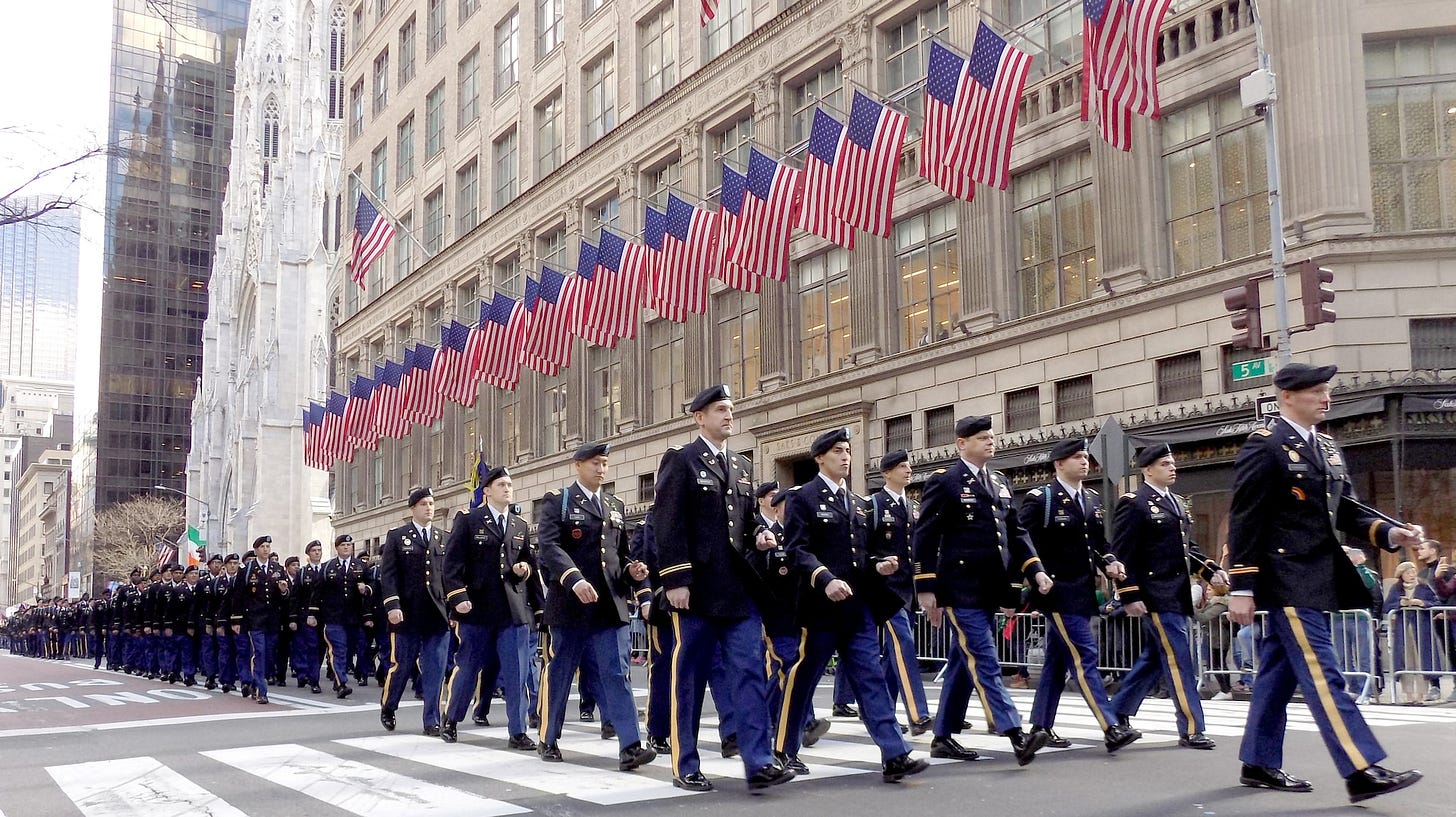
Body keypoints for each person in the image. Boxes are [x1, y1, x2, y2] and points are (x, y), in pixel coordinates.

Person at [1227, 362, 1424, 803]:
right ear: (1286, 396)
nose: (1325, 397)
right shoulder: (1266, 446)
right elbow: (1245, 516)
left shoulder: (1329, 448)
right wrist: (1242, 585)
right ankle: (1360, 768)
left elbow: (1348, 510)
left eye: (1325, 391)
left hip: (1317, 575)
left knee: (1278, 672)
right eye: (1315, 391)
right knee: (1322, 672)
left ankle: (1258, 761)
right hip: (1287, 577)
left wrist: (1392, 533)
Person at [652, 385, 793, 792]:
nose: (729, 415)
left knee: (749, 672)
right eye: (720, 410)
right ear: (699, 417)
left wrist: (761, 537)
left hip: (737, 590)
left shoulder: (742, 466)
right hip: (696, 591)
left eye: (731, 409)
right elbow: (668, 523)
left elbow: (747, 522)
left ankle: (759, 761)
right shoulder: (681, 460)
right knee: (690, 677)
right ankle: (686, 764)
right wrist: (676, 579)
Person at [776, 427, 928, 784]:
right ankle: (783, 749)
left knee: (871, 678)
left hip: (856, 609)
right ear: (819, 458)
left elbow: (861, 554)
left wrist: (879, 564)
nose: (845, 457)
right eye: (838, 451)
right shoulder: (803, 498)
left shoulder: (858, 503)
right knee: (804, 679)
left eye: (847, 450)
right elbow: (798, 550)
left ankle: (894, 754)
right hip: (819, 609)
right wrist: (825, 578)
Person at [913, 415, 1053, 767]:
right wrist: (925, 587)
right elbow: (925, 536)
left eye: (992, 437)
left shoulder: (999, 481)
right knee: (984, 658)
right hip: (958, 587)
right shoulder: (944, 481)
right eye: (982, 438)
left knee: (964, 662)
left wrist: (1035, 570)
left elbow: (1016, 532)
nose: (991, 442)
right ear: (962, 443)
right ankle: (1015, 733)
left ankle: (942, 736)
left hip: (988, 587)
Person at [535, 441, 655, 772]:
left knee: (617, 672)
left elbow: (620, 553)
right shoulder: (558, 503)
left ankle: (630, 745)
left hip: (608, 606)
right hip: (570, 605)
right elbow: (548, 546)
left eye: (604, 463)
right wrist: (573, 579)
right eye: (594, 464)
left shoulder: (614, 505)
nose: (601, 469)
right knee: (560, 673)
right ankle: (548, 737)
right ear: (578, 465)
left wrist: (633, 572)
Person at [1019, 437, 1141, 753]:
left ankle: (1040, 727)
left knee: (1057, 662)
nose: (1084, 461)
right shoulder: (1041, 498)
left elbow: (1098, 543)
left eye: (1086, 456)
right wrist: (1030, 578)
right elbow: (1021, 541)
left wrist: (1111, 561)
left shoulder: (1090, 498)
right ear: (1059, 464)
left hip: (1083, 590)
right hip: (1056, 591)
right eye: (1076, 457)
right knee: (1084, 653)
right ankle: (1110, 725)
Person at [1109, 442, 1222, 751]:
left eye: (1172, 463)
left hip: (1176, 593)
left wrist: (1210, 570)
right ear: (1147, 469)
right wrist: (1128, 595)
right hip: (1153, 594)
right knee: (1179, 658)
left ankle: (1115, 712)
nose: (1172, 468)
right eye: (1165, 464)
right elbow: (1123, 554)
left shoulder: (1176, 502)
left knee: (1156, 660)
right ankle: (1191, 727)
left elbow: (1187, 548)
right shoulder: (1134, 503)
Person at [440, 466, 538, 749]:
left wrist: (525, 571)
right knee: (468, 667)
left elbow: (529, 561)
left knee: (517, 671)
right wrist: (458, 598)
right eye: (501, 485)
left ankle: (517, 731)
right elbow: (452, 566)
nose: (508, 489)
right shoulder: (469, 520)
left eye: (509, 484)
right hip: (478, 610)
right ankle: (452, 718)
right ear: (487, 491)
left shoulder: (519, 525)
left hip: (513, 610)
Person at [867, 449, 932, 736]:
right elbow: (863, 547)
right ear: (886, 473)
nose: (908, 470)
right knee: (903, 644)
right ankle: (918, 714)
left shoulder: (913, 506)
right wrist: (877, 565)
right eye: (902, 466)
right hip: (884, 590)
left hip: (908, 589)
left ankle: (881, 713)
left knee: (891, 656)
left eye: (909, 466)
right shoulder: (874, 506)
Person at [379, 487, 452, 736]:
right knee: (402, 665)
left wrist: (454, 608)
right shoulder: (398, 537)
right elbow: (388, 575)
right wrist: (392, 605)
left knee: (435, 669)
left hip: (437, 614)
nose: (428, 508)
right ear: (412, 508)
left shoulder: (444, 537)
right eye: (423, 504)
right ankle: (389, 706)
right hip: (408, 613)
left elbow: (450, 576)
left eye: (431, 503)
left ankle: (431, 719)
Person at [229, 536, 291, 704]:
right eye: (262, 546)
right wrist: (236, 620)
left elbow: (285, 596)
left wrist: (284, 591)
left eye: (268, 546)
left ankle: (258, 683)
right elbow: (238, 596)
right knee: (259, 652)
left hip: (272, 619)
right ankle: (260, 689)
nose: (265, 549)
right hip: (254, 619)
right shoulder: (247, 570)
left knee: (269, 654)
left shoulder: (277, 568)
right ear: (256, 550)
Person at [310, 534, 373, 698]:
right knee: (339, 650)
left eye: (349, 545)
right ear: (337, 548)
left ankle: (341, 678)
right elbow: (316, 592)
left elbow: (373, 584)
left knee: (351, 650)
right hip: (333, 617)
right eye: (343, 545)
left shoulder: (360, 565)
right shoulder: (328, 567)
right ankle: (341, 683)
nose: (346, 547)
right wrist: (313, 613)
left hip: (354, 617)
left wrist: (366, 588)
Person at [1383, 561, 1440, 704]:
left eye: (1414, 572)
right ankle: (1409, 696)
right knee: (1405, 662)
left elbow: (1437, 603)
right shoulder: (1396, 589)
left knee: (1422, 661)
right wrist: (1399, 604)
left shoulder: (1423, 586)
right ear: (1401, 575)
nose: (1412, 575)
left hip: (1421, 628)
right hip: (1403, 629)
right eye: (1408, 573)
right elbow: (1387, 606)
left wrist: (1422, 603)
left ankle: (1420, 696)